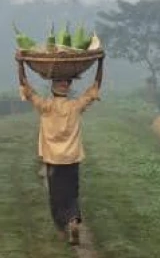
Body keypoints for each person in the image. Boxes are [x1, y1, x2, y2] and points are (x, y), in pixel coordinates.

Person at [16, 56, 104, 245]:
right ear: (68, 88)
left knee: (56, 195)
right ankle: (73, 219)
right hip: (72, 157)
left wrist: (20, 64)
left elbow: (25, 87)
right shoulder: (75, 106)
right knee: (72, 192)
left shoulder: (45, 106)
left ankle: (62, 228)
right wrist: (100, 63)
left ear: (52, 88)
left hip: (53, 158)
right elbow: (95, 86)